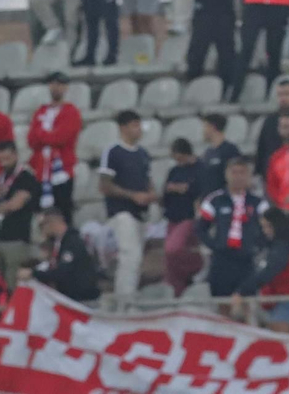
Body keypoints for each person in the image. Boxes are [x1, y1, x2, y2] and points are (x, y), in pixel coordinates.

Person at [99, 110, 155, 298]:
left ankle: (128, 296)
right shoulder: (113, 151)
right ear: (123, 128)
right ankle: (125, 300)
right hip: (121, 212)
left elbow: (147, 179)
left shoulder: (143, 153)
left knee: (136, 259)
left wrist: (151, 194)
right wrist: (132, 195)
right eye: (134, 125)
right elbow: (105, 185)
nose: (138, 130)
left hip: (141, 213)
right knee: (130, 255)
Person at [199, 156, 269, 295]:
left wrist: (257, 245)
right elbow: (201, 228)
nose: (238, 177)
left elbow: (268, 229)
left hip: (247, 259)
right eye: (234, 172)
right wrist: (215, 245)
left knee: (247, 301)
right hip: (222, 259)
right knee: (221, 300)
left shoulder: (258, 202)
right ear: (226, 174)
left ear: (249, 175)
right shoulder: (215, 200)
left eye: (242, 172)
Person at [235, 207, 289, 330]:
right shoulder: (283, 246)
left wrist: (243, 290)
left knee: (279, 340)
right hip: (275, 299)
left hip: (285, 299)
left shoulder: (283, 248)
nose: (265, 231)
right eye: (263, 227)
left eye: (268, 226)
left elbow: (269, 272)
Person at [28, 71, 82, 218]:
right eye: (52, 84)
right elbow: (31, 140)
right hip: (40, 168)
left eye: (60, 84)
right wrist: (47, 136)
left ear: (65, 88)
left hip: (62, 169)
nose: (55, 87)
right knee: (39, 212)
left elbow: (61, 138)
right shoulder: (41, 110)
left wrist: (42, 134)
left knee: (62, 212)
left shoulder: (71, 112)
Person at [0, 139, 42, 274]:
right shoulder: (0, 178)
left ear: (16, 155)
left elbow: (15, 205)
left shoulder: (26, 177)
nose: (4, 161)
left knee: (13, 281)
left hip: (16, 239)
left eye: (7, 157)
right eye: (1, 158)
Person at [27, 206, 102, 300]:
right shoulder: (60, 243)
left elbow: (62, 272)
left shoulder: (72, 242)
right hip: (71, 297)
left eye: (42, 225)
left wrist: (33, 274)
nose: (41, 229)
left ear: (52, 222)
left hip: (82, 299)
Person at [162, 138, 205, 292]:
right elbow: (165, 191)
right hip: (172, 216)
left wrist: (183, 188)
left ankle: (196, 267)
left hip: (188, 216)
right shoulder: (174, 170)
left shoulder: (200, 168)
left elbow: (200, 189)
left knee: (173, 249)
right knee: (169, 260)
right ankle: (177, 289)